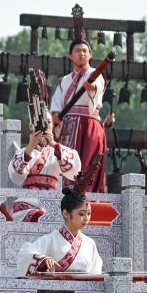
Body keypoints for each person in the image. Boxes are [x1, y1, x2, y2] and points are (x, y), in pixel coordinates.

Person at [16, 161, 103, 293]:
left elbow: (96, 273)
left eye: (88, 214)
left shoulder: (90, 244)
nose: (86, 218)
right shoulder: (51, 239)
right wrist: (42, 260)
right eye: (81, 214)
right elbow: (25, 253)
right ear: (65, 214)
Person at [50, 10, 109, 193]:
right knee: (66, 164)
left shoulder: (95, 74)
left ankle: (86, 199)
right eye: (77, 50)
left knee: (88, 165)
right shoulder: (65, 80)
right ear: (70, 56)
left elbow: (98, 87)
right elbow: (56, 103)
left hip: (89, 126)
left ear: (90, 55)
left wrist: (93, 88)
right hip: (68, 126)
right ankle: (67, 197)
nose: (81, 54)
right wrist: (55, 116)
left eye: (85, 51)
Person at [3, 116, 82, 222]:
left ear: (52, 126)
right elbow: (15, 176)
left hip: (52, 203)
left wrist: (54, 144)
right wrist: (30, 147)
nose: (44, 126)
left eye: (48, 122)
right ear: (31, 126)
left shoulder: (58, 151)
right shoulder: (24, 152)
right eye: (40, 122)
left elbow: (75, 173)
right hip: (28, 204)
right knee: (44, 218)